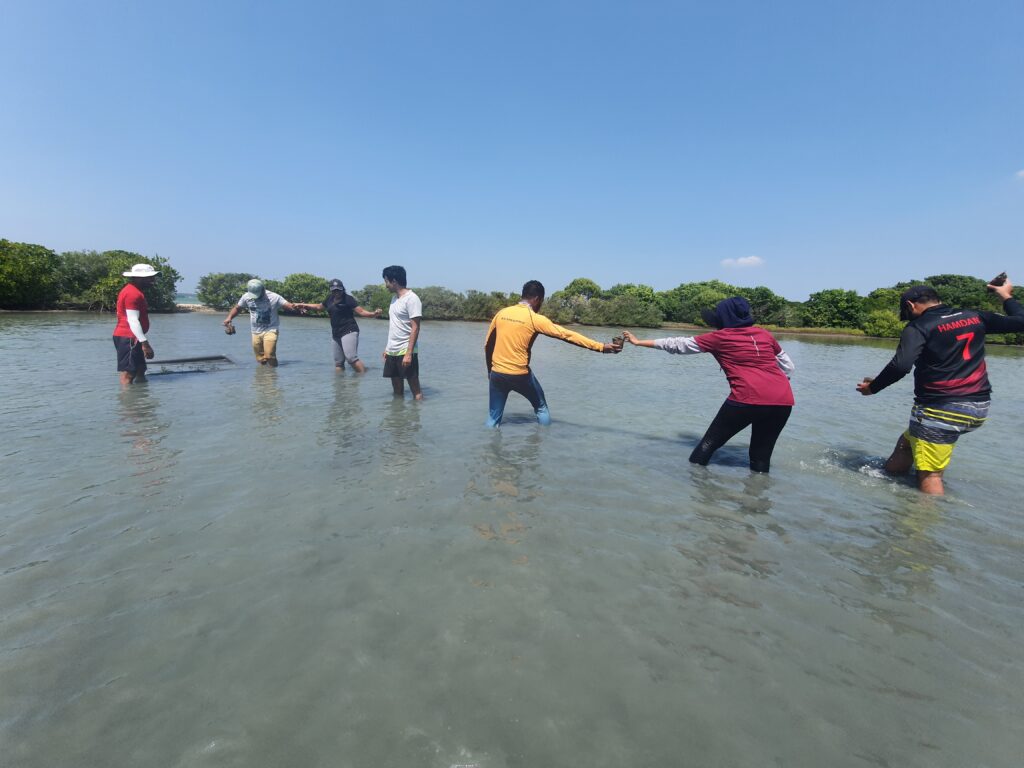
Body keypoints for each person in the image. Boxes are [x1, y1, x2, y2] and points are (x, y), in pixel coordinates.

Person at [856, 279, 1024, 495]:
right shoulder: (974, 316)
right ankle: (889, 485)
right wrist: (1005, 294)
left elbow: (901, 365)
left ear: (910, 305)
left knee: (930, 474)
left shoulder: (918, 327)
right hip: (978, 408)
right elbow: (1021, 321)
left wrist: (872, 388)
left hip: (941, 409)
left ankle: (923, 520)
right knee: (907, 444)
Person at [622, 296, 795, 472]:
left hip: (747, 398)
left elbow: (677, 344)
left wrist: (638, 342)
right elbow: (788, 367)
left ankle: (696, 491)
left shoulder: (719, 337)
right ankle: (757, 497)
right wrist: (773, 388)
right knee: (761, 458)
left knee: (706, 447)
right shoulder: (765, 335)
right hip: (783, 400)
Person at [484, 280, 621, 427]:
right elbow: (566, 335)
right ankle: (542, 445)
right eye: (541, 301)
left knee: (493, 417)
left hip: (497, 373)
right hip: (520, 374)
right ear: (537, 299)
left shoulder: (501, 314)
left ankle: (488, 449)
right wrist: (600, 347)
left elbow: (488, 345)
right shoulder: (535, 319)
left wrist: (490, 372)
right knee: (541, 407)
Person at [293, 279, 381, 373]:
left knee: (351, 358)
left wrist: (373, 314)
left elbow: (361, 312)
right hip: (336, 332)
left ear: (342, 289)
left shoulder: (348, 299)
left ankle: (362, 378)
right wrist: (303, 305)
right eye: (334, 290)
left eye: (338, 290)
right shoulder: (329, 298)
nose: (336, 292)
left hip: (349, 330)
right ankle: (339, 384)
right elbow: (319, 307)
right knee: (338, 362)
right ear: (331, 290)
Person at [222, 279, 303, 366]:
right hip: (255, 331)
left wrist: (296, 307)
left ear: (263, 289)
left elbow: (287, 305)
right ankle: (263, 375)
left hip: (271, 329)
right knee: (261, 359)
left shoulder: (274, 297)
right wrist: (229, 317)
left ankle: (272, 375)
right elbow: (238, 308)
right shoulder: (246, 297)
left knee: (269, 355)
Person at [112, 263, 159, 386]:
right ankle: (129, 404)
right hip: (129, 337)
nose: (153, 280)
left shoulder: (135, 291)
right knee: (128, 374)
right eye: (150, 278)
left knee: (140, 369)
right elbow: (132, 320)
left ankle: (141, 401)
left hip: (134, 337)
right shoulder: (132, 293)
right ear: (139, 278)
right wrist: (145, 343)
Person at [381, 265, 423, 399]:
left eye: (386, 281)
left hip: (405, 351)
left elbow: (415, 327)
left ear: (394, 281)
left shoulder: (412, 299)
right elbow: (395, 325)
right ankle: (398, 418)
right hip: (392, 350)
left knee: (415, 390)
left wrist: (409, 353)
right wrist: (387, 349)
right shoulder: (394, 299)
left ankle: (417, 418)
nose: (385, 285)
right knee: (397, 391)